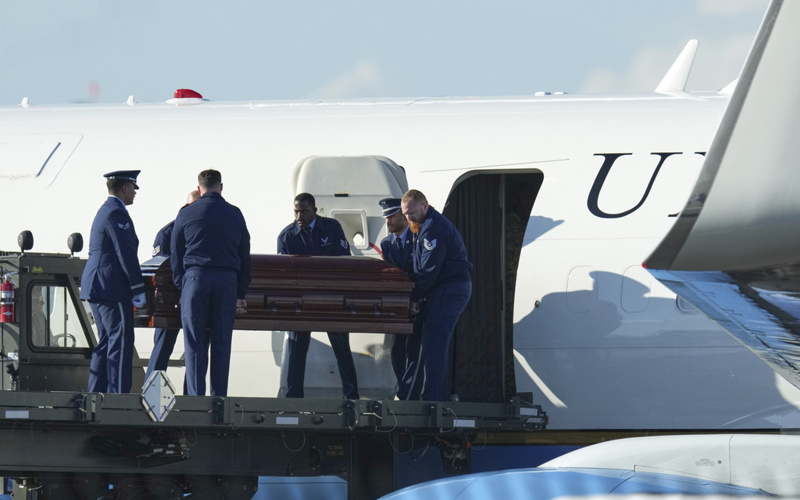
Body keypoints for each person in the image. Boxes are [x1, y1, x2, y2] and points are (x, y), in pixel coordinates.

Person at [170, 170, 251, 396]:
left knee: (195, 344)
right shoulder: (235, 214)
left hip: (195, 280)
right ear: (221, 186)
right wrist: (241, 291)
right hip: (227, 281)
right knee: (221, 344)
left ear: (199, 189)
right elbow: (245, 254)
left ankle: (196, 399)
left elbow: (176, 254)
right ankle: (219, 400)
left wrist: (181, 286)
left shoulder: (186, 213)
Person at [277, 193, 359, 399]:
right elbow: (282, 274)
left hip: (331, 299)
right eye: (296, 211)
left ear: (315, 210)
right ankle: (294, 397)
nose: (299, 215)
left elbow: (344, 261)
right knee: (297, 349)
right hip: (301, 302)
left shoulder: (331, 228)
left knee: (341, 347)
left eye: (304, 211)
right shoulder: (287, 236)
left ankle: (351, 396)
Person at [401, 189, 472, 401]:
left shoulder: (432, 228)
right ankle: (431, 396)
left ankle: (433, 399)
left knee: (434, 344)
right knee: (433, 344)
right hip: (446, 288)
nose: (408, 218)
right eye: (405, 214)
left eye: (412, 212)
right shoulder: (423, 226)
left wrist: (415, 298)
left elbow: (428, 270)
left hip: (449, 289)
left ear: (425, 205)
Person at [80, 170, 146, 394]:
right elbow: (125, 252)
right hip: (111, 288)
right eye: (133, 189)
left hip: (97, 286)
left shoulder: (106, 210)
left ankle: (96, 396)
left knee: (106, 342)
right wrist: (138, 287)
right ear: (125, 188)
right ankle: (118, 399)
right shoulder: (116, 213)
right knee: (120, 342)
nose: (135, 194)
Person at [143, 189, 200, 390]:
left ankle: (191, 396)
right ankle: (150, 391)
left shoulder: (203, 230)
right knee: (163, 347)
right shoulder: (167, 232)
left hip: (194, 297)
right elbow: (159, 268)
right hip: (171, 301)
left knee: (196, 352)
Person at [377, 197, 420, 400]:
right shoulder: (387, 244)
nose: (388, 221)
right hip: (399, 307)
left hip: (419, 302)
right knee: (397, 350)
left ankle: (411, 392)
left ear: (403, 216)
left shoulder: (417, 238)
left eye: (392, 216)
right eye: (386, 217)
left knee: (415, 350)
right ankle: (404, 389)